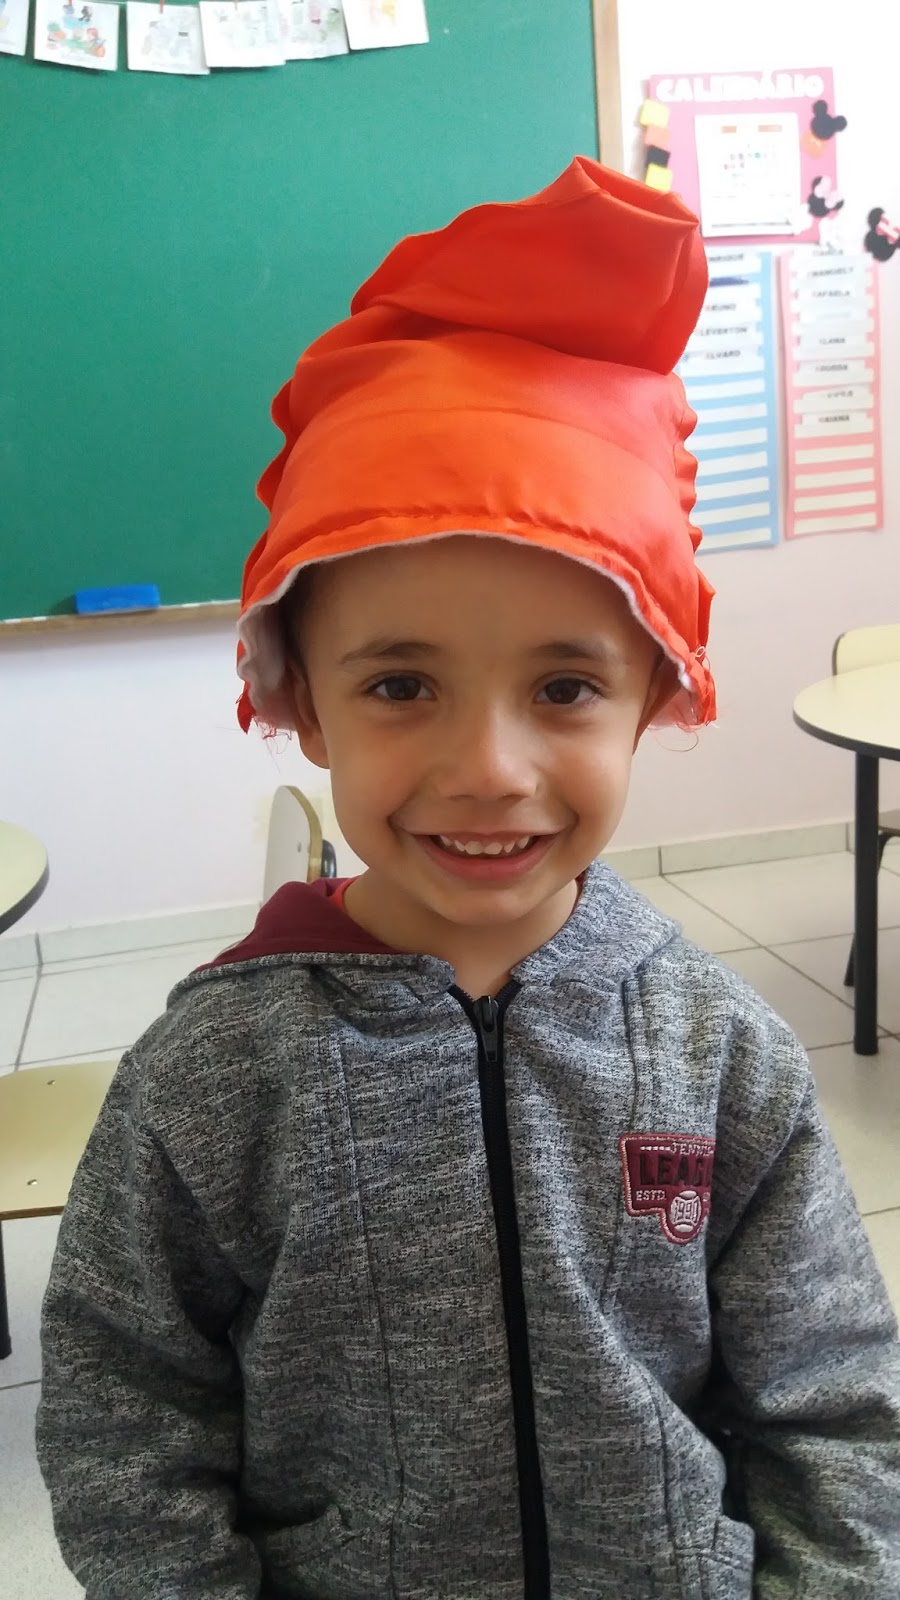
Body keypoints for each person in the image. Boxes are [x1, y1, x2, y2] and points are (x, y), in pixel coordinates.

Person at [37, 157, 900, 1599]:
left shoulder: (719, 1050)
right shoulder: (215, 1074)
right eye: (401, 686)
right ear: (303, 704)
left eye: (564, 687)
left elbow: (834, 1405)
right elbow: (128, 1421)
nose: (490, 769)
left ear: (656, 698)